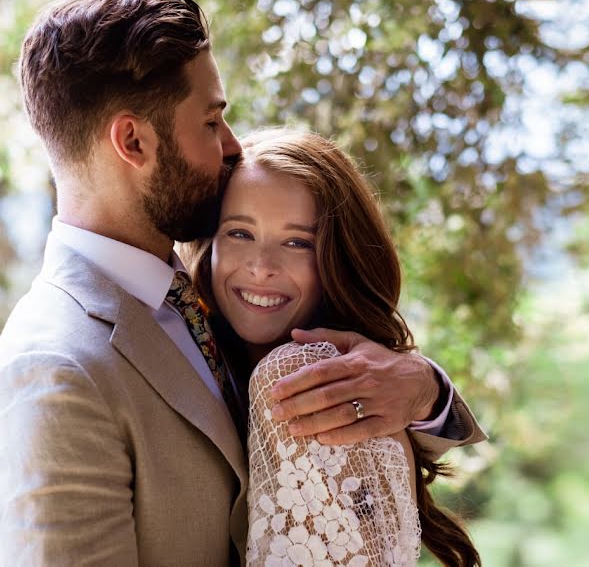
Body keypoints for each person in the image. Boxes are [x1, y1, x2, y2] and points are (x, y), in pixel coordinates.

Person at [0, 0, 485, 565]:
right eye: (212, 121)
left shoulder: (198, 297)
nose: (233, 145)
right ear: (133, 141)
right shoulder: (54, 367)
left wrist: (422, 386)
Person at [180, 127, 482, 566]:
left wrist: (423, 387)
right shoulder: (198, 344)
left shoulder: (301, 376)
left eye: (298, 242)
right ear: (209, 245)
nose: (262, 267)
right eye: (240, 233)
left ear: (338, 260)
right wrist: (427, 386)